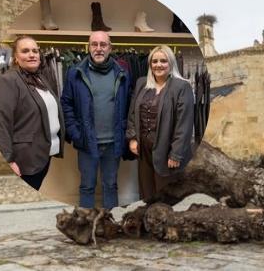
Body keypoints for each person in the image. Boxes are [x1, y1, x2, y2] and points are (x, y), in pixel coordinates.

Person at [61, 31, 131, 209]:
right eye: (94, 44)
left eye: (103, 45)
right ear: (88, 47)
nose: (98, 48)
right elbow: (66, 104)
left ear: (110, 48)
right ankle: (85, 227)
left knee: (111, 186)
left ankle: (110, 227)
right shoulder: (74, 73)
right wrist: (75, 134)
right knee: (87, 187)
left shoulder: (122, 73)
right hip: (86, 143)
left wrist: (125, 134)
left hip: (113, 143)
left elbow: (129, 105)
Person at [0, 36, 63, 190]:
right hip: (25, 159)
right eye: (25, 51)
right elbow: (0, 123)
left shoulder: (42, 79)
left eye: (35, 51)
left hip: (44, 154)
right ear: (16, 57)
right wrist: (8, 160)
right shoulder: (7, 81)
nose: (32, 54)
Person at [126, 45, 195, 203]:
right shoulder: (141, 83)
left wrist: (176, 153)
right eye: (154, 61)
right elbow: (132, 113)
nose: (158, 65)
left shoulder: (181, 87)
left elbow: (184, 124)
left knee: (165, 196)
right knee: (147, 194)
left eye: (163, 61)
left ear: (171, 63)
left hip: (167, 150)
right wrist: (133, 138)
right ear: (150, 64)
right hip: (143, 150)